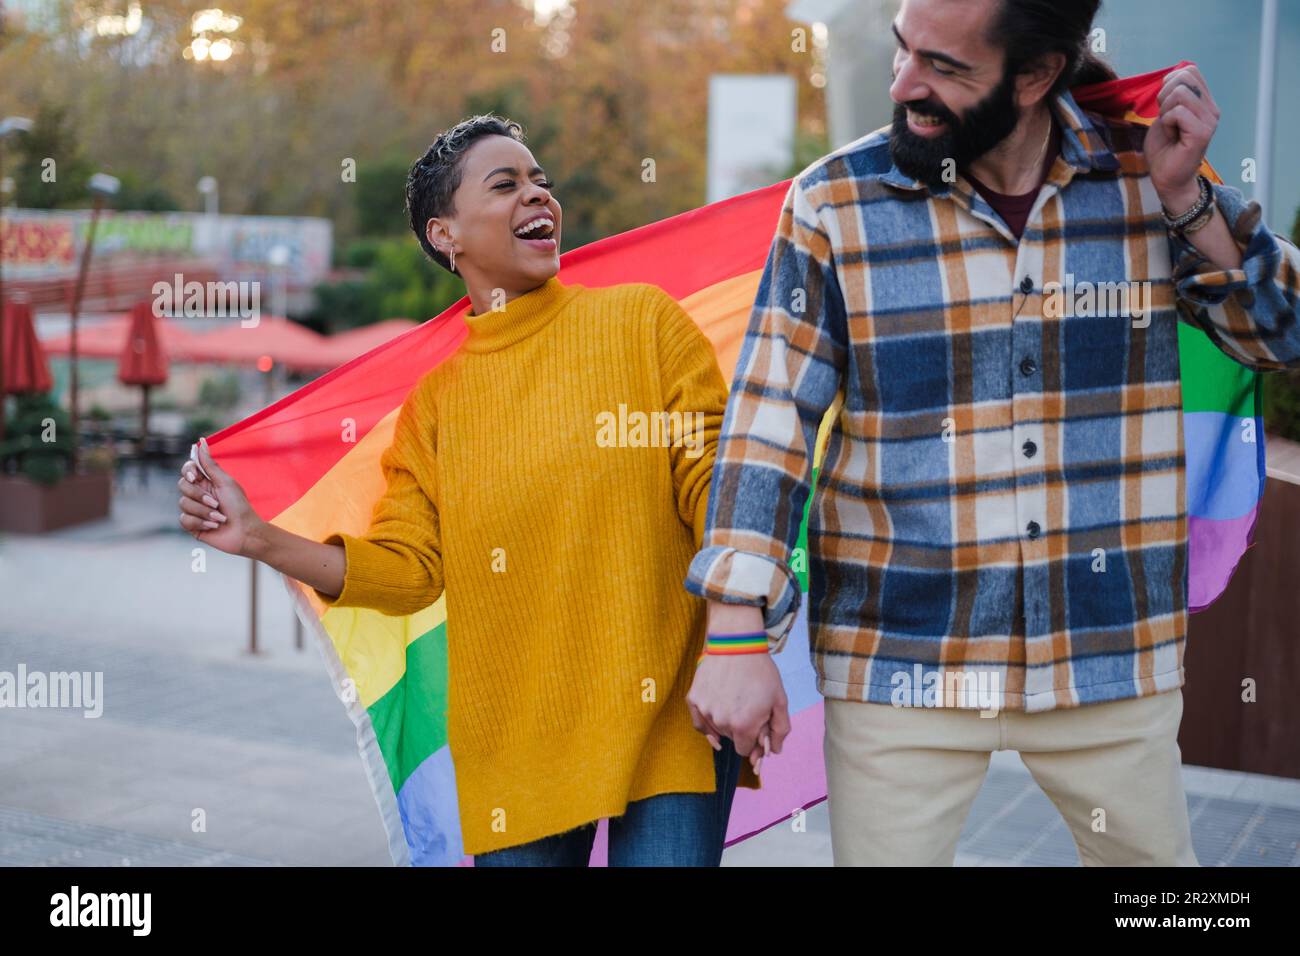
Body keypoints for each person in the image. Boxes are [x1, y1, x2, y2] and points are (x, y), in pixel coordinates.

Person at [685, 0, 1300, 866]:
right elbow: (769, 417)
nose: (904, 85)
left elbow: (1279, 335)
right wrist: (737, 629)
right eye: (905, 52)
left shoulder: (1147, 175)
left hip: (1107, 652)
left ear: (1037, 74)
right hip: (900, 659)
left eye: (945, 67)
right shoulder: (833, 203)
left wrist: (1188, 202)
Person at [177, 114, 759, 866]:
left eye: (540, 181)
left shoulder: (643, 323)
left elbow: (714, 484)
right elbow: (410, 571)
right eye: (507, 184)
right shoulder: (436, 405)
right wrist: (259, 539)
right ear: (445, 233)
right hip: (512, 745)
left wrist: (737, 636)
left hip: (669, 720)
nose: (538, 196)